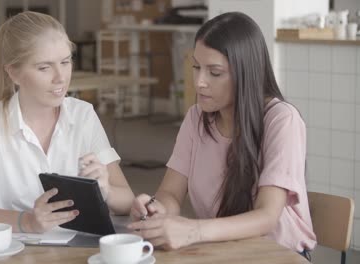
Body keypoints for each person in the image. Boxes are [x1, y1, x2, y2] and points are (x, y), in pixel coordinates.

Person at [128, 12, 316, 258]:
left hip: (278, 255)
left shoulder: (282, 120)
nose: (199, 82)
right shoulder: (196, 118)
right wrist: (157, 210)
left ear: (245, 73)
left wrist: (193, 231)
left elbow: (266, 217)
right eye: (196, 67)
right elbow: (171, 193)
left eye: (214, 73)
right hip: (223, 252)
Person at [0, 11, 134, 233]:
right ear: (13, 73)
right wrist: (27, 221)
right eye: (44, 67)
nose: (60, 77)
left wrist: (106, 189)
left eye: (65, 62)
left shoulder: (83, 114)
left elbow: (127, 201)